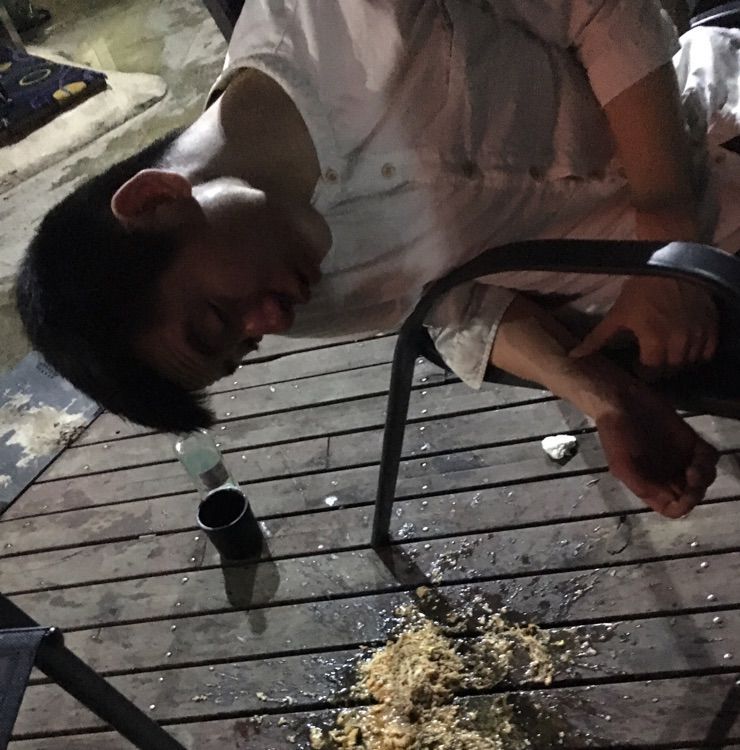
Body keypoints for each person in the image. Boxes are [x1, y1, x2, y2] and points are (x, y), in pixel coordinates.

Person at [15, 1, 740, 520]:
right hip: (694, 306)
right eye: (244, 347)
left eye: (214, 318)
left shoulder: (339, 19)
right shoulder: (289, 285)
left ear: (156, 202)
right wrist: (609, 401)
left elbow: (603, 11)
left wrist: (664, 243)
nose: (271, 321)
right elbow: (452, 303)